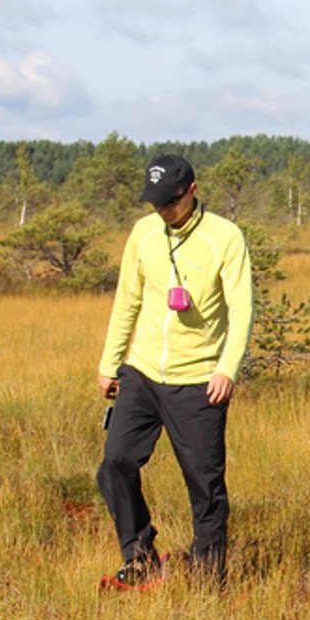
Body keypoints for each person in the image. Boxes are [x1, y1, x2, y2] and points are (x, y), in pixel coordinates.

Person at [95, 153, 253, 590]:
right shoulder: (144, 233)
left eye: (171, 201)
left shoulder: (225, 237)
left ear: (192, 191)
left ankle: (207, 580)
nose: (163, 210)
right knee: (115, 462)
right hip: (142, 372)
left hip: (199, 380)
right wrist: (110, 363)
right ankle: (140, 555)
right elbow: (127, 300)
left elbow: (242, 310)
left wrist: (227, 369)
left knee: (204, 484)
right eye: (156, 202)